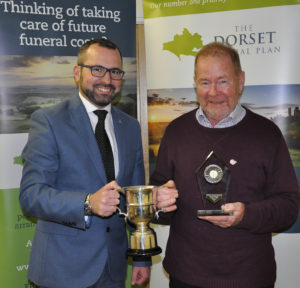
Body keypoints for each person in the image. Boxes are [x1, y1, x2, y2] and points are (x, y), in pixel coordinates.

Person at [19, 38, 177, 288]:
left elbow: (132, 197)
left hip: (113, 271)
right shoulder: (48, 121)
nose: (107, 79)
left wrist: (141, 257)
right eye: (97, 69)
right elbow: (31, 196)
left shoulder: (130, 127)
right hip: (63, 271)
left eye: (115, 72)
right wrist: (87, 203)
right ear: (77, 72)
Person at [151, 42, 300, 288]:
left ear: (240, 81)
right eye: (205, 82)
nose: (213, 92)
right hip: (185, 276)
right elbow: (159, 192)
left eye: (223, 81)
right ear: (195, 83)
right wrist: (159, 200)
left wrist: (247, 216)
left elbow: (289, 207)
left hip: (249, 278)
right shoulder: (176, 131)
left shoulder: (267, 134)